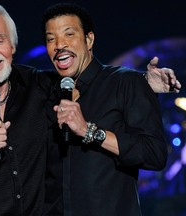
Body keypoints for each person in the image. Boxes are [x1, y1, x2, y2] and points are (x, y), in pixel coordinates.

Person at [0, 3, 181, 216]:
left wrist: (141, 83)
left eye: (0, 40)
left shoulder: (36, 87)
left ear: (12, 47)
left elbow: (97, 80)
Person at [41, 3, 181, 216]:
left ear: (89, 40)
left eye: (69, 34)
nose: (60, 44)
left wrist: (89, 131)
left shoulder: (125, 83)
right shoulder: (45, 91)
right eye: (51, 38)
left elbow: (154, 154)